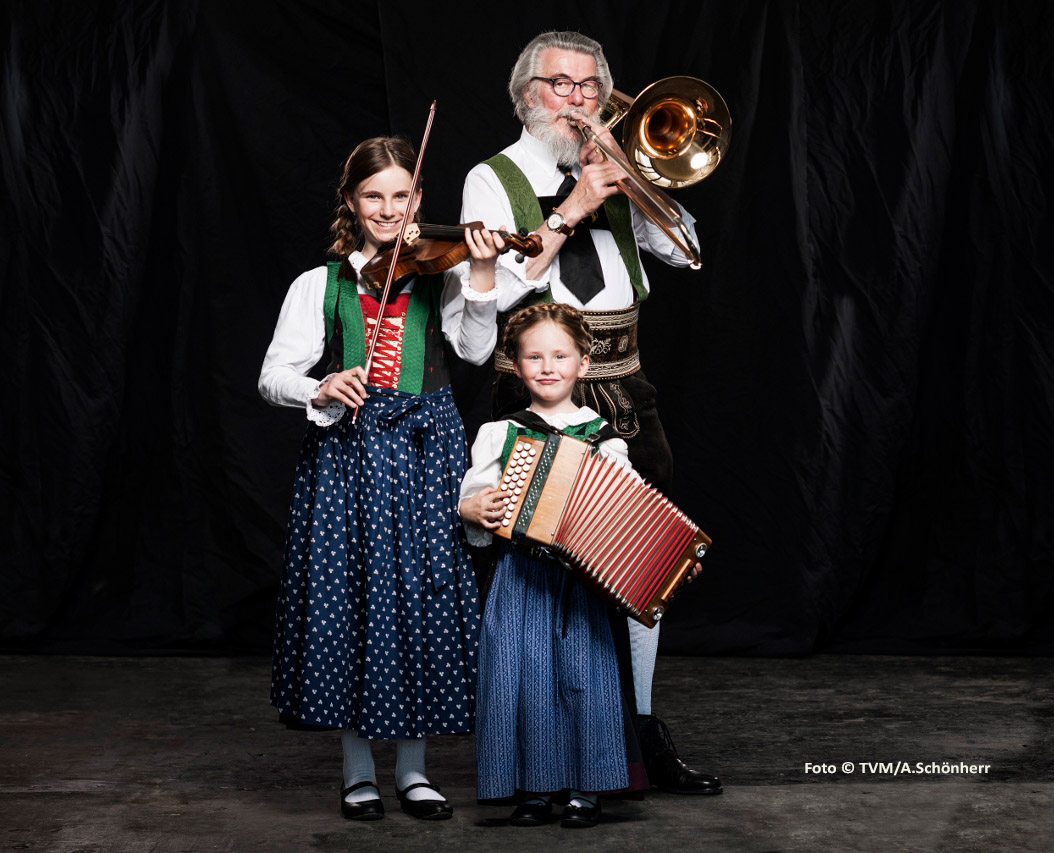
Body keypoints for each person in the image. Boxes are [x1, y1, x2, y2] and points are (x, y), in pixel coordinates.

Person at [444, 29, 721, 796]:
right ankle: (541, 747)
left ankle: (635, 733)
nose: (578, 101)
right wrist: (575, 205)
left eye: (590, 87)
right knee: (540, 584)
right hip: (536, 397)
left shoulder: (613, 164)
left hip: (628, 393)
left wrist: (633, 182)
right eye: (561, 86)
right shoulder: (492, 179)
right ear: (525, 95)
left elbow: (685, 253)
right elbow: (487, 302)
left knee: (642, 571)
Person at [259, 136, 510, 821]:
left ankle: (415, 770)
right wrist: (321, 383)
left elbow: (476, 350)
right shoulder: (322, 282)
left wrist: (483, 274)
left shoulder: (445, 272)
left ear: (420, 201)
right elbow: (272, 373)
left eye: (401, 195)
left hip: (428, 455)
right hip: (349, 456)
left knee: (420, 600)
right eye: (373, 195)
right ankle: (357, 768)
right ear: (351, 201)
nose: (388, 208)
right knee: (354, 600)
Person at [459, 302, 645, 829]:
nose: (547, 366)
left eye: (560, 355)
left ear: (583, 363)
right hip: (519, 579)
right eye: (534, 356)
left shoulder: (606, 440)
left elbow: (633, 514)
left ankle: (588, 788)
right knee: (523, 681)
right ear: (517, 367)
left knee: (587, 680)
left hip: (582, 586)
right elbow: (475, 502)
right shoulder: (501, 433)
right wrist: (473, 508)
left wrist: (666, 557)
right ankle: (534, 789)